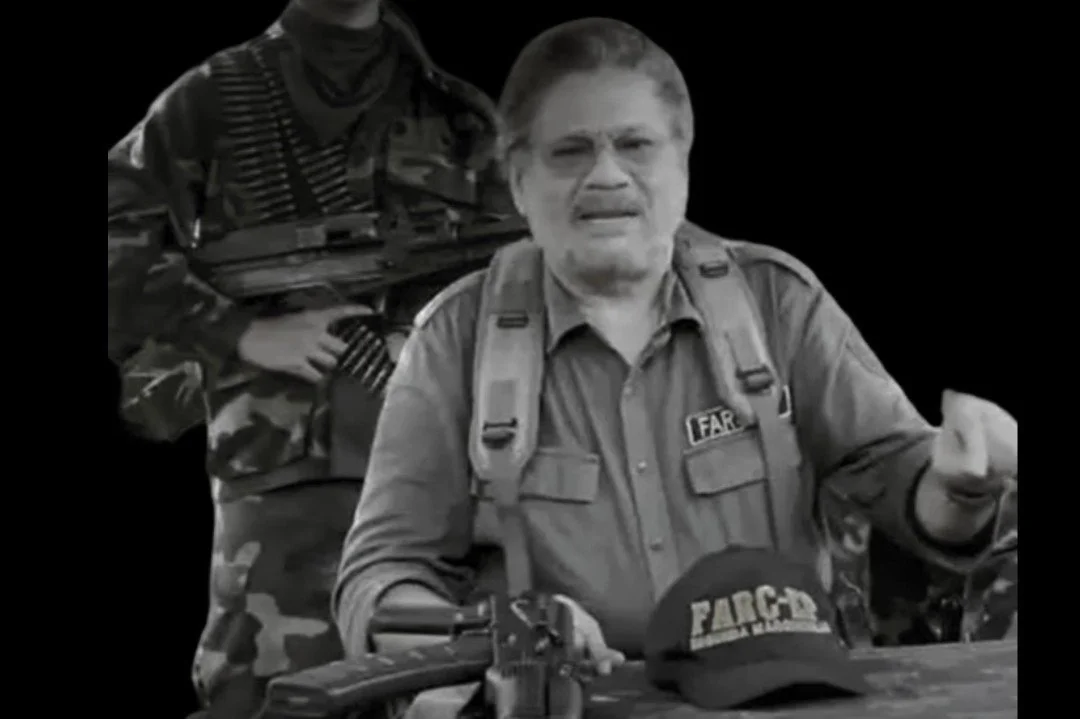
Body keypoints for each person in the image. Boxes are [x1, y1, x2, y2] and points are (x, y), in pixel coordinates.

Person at [331, 15, 1019, 677]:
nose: (606, 175)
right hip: (567, 702)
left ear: (682, 163)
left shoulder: (776, 302)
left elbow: (903, 484)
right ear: (517, 180)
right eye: (570, 151)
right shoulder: (456, 339)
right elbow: (378, 580)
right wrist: (508, 631)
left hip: (772, 693)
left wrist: (960, 487)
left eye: (635, 144)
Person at [106, 1, 515, 716]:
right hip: (287, 487)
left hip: (442, 480)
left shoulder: (457, 112)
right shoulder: (215, 97)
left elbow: (517, 276)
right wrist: (237, 332)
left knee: (453, 689)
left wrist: (426, 336)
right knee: (270, 697)